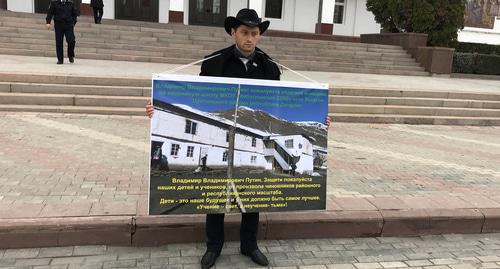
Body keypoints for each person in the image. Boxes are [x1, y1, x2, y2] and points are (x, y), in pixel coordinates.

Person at [146, 8, 331, 269]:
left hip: (248, 132)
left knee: (253, 195)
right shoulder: (214, 63)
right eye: (244, 32)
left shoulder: (269, 68)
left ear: (259, 36)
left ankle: (249, 245)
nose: (249, 38)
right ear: (234, 32)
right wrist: (154, 111)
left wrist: (323, 119)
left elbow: (278, 103)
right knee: (214, 195)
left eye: (254, 33)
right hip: (228, 134)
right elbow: (200, 97)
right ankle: (213, 246)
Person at [46, 0, 79, 65]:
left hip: (68, 25)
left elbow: (75, 14)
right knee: (59, 42)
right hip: (59, 25)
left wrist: (73, 22)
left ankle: (70, 55)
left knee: (71, 41)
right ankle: (60, 59)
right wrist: (48, 22)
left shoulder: (71, 3)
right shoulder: (54, 3)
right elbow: (50, 12)